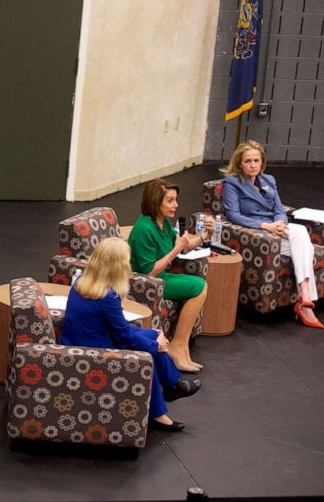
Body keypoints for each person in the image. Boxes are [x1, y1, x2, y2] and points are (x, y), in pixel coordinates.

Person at [60, 237, 201, 432]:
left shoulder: (82, 283)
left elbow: (117, 328)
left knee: (152, 336)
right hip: (92, 353)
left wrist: (151, 334)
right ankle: (165, 400)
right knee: (149, 351)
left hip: (78, 342)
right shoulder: (108, 296)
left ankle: (170, 391)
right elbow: (123, 336)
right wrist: (155, 345)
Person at [221, 140, 322, 329]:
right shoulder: (232, 183)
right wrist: (266, 226)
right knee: (303, 240)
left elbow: (279, 209)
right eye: (248, 161)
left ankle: (305, 299)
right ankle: (305, 299)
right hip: (258, 234)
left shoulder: (269, 180)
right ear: (239, 163)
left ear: (262, 162)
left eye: (256, 161)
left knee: (299, 238)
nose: (252, 165)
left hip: (276, 229)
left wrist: (281, 223)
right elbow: (233, 215)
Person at [127, 178, 211, 372]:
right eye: (170, 200)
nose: (176, 205)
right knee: (199, 287)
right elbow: (149, 271)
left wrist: (205, 236)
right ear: (156, 202)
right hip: (147, 284)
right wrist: (175, 250)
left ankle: (181, 345)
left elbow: (185, 246)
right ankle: (178, 345)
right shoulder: (144, 229)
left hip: (161, 279)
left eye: (175, 200)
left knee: (200, 285)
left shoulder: (163, 223)